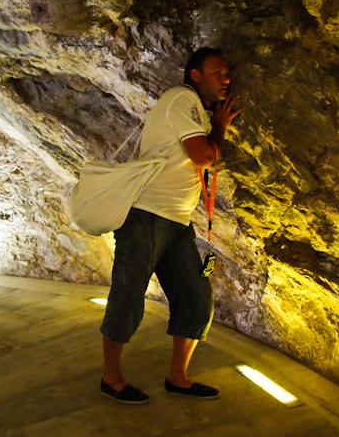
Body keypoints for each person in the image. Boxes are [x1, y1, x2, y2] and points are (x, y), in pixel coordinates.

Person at [99, 47, 242, 404]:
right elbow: (203, 156)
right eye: (217, 72)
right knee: (128, 297)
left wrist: (212, 128)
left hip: (177, 222)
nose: (226, 79)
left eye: (227, 73)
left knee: (196, 296)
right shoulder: (181, 98)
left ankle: (178, 378)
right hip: (146, 215)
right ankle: (111, 379)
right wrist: (219, 128)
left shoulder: (195, 110)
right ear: (195, 75)